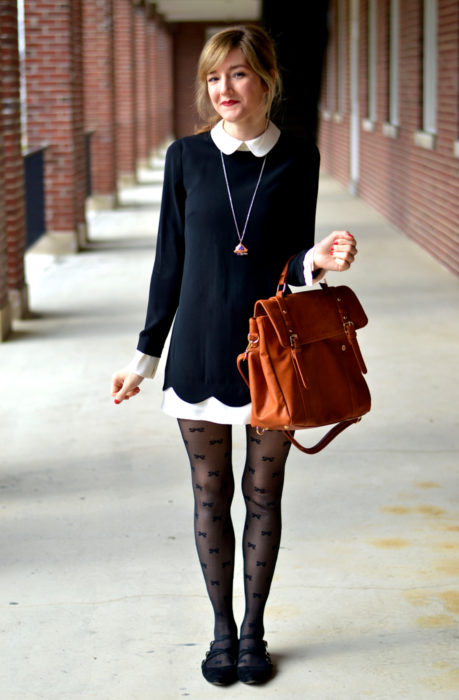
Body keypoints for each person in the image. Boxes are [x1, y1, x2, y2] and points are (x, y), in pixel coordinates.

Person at [111, 25, 357, 686]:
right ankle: (220, 630)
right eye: (214, 77)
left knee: (264, 492)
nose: (224, 88)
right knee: (210, 492)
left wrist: (317, 262)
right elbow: (170, 262)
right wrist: (142, 360)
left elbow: (291, 265)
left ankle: (255, 632)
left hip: (270, 354)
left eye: (239, 74)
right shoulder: (185, 159)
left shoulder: (297, 158)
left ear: (267, 80)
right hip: (195, 349)